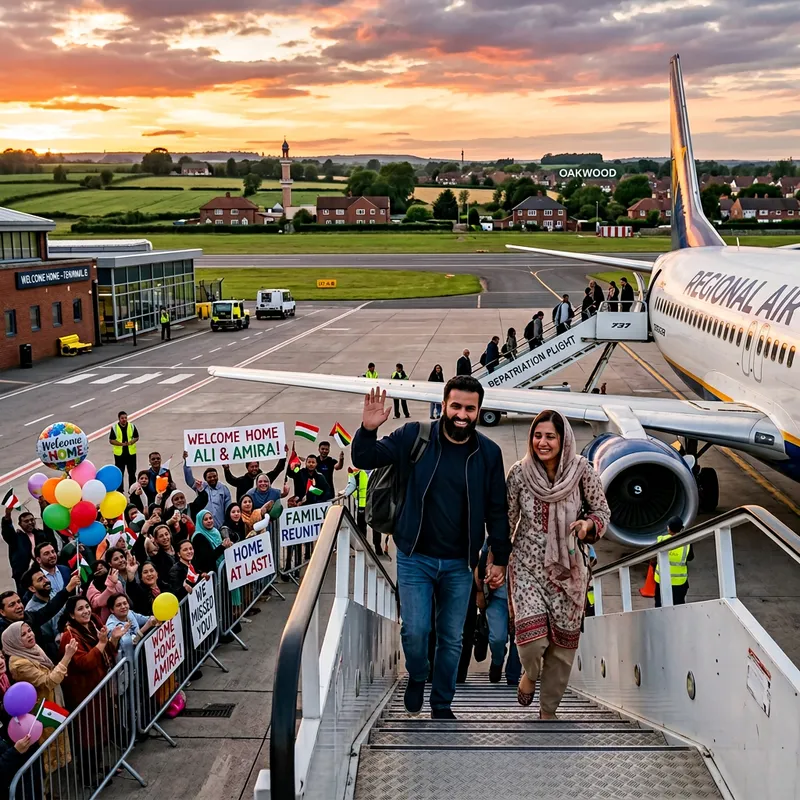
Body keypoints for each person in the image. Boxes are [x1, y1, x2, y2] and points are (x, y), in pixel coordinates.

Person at [352, 376, 510, 719]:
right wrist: (367, 429)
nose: (462, 414)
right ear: (444, 405)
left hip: (459, 564)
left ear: (479, 410)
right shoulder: (415, 436)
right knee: (416, 630)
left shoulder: (488, 455)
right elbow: (364, 458)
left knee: (453, 639)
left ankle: (441, 703)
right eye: (456, 406)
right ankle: (417, 675)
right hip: (415, 557)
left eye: (470, 408)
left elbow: (498, 510)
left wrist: (500, 559)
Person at [507, 410, 611, 719]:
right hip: (526, 566)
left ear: (563, 439)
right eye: (537, 436)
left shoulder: (583, 472)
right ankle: (529, 674)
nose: (542, 442)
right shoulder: (519, 474)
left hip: (569, 570)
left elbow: (602, 512)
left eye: (550, 436)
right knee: (532, 643)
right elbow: (506, 519)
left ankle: (548, 712)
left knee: (563, 649)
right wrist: (495, 560)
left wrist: (587, 525)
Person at [3, 622, 77, 778]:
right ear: (14, 641)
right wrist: (67, 657)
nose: (30, 635)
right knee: (46, 756)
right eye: (23, 634)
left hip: (50, 704)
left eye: (29, 630)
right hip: (38, 713)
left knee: (57, 746)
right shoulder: (19, 664)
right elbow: (48, 681)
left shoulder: (33, 649)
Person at [0, 573, 79, 652]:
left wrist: (68, 589)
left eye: (19, 602)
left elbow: (50, 608)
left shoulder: (30, 617)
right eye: (12, 605)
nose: (19, 606)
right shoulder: (3, 634)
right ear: (2, 612)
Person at [2, 507, 53, 595]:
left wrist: (43, 507)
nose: (30, 523)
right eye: (26, 521)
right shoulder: (16, 537)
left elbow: (49, 529)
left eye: (32, 520)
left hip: (42, 571)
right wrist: (7, 516)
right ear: (20, 524)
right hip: (23, 574)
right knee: (25, 597)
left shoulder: (40, 534)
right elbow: (7, 531)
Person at [21, 567, 66, 661]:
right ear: (32, 588)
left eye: (45, 577)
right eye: (40, 580)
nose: (46, 581)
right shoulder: (31, 611)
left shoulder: (54, 594)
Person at [654, 516, 694, 607]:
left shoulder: (661, 539)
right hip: (679, 582)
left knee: (660, 604)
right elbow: (690, 557)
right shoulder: (686, 543)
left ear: (668, 528)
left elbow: (653, 557)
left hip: (662, 580)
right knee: (678, 606)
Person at [183, 456, 231, 530]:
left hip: (221, 528)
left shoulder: (223, 488)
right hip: (204, 529)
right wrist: (187, 461)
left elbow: (228, 508)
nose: (212, 478)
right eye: (209, 477)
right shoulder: (201, 486)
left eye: (214, 476)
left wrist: (227, 525)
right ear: (205, 479)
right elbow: (189, 480)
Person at [105, 594, 157, 662]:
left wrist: (155, 619)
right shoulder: (111, 626)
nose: (123, 607)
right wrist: (146, 627)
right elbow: (129, 644)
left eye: (125, 603)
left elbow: (147, 619)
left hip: (138, 660)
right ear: (112, 610)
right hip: (126, 667)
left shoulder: (129, 613)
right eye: (118, 605)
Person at [223, 451, 287, 503]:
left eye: (256, 466)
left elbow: (278, 469)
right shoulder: (242, 481)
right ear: (247, 468)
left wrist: (283, 455)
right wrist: (226, 469)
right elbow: (230, 479)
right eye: (252, 467)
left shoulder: (265, 478)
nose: (254, 468)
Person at [192, 510, 233, 576]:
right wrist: (222, 547)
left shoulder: (215, 531)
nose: (209, 521)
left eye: (210, 518)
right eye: (205, 519)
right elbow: (207, 558)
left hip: (222, 571)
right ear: (200, 522)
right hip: (210, 574)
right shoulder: (198, 537)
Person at [343, 467, 373, 550]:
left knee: (371, 525)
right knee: (363, 526)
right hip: (364, 504)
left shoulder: (376, 471)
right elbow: (352, 486)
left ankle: (375, 546)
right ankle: (365, 545)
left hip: (370, 504)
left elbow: (352, 487)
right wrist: (345, 493)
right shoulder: (357, 473)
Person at [109, 410, 139, 491]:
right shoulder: (115, 428)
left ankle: (132, 491)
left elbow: (136, 437)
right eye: (122, 418)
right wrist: (121, 444)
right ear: (119, 419)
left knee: (132, 474)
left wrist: (131, 442)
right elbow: (111, 440)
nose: (124, 419)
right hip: (119, 455)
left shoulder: (132, 426)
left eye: (125, 418)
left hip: (131, 454)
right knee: (120, 474)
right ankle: (120, 491)